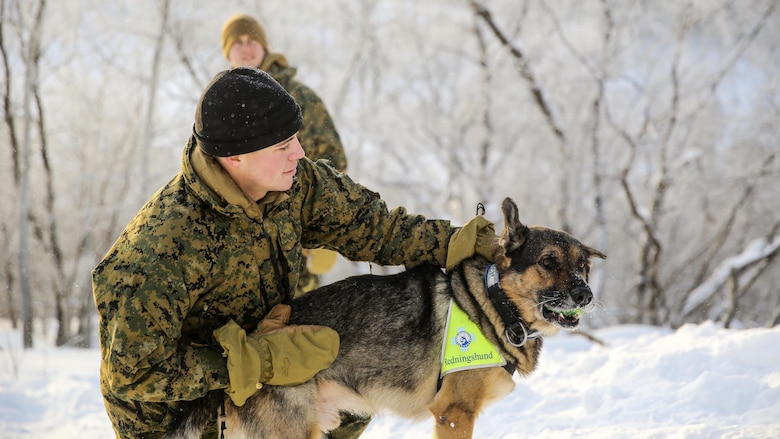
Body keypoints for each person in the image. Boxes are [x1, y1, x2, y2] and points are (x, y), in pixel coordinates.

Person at [92, 67, 495, 439]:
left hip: (264, 364)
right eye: (284, 145)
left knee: (355, 381)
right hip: (176, 419)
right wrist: (252, 361)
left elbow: (373, 227)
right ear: (235, 157)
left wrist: (452, 242)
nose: (299, 153)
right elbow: (133, 374)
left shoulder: (293, 184)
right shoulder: (158, 250)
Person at [221, 13, 346, 296]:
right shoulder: (222, 102)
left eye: (252, 40)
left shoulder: (298, 97)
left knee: (297, 326)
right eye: (238, 42)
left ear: (265, 46)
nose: (247, 47)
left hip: (293, 238)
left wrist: (321, 225)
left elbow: (333, 160)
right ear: (228, 52)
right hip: (238, 241)